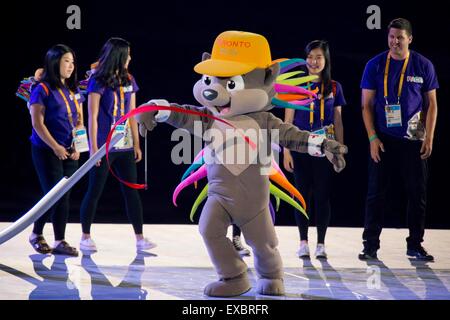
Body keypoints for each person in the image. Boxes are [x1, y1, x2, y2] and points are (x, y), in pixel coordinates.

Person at [359, 18, 438, 261]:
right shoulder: (374, 65)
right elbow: (366, 106)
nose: (395, 42)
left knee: (417, 193)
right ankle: (370, 245)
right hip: (383, 138)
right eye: (391, 37)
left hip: (414, 138)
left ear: (410, 39)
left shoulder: (422, 65)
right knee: (375, 193)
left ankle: (415, 244)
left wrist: (429, 137)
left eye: (400, 37)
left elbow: (432, 104)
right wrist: (372, 137)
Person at [79, 37, 156, 252]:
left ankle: (140, 238)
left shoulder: (129, 79)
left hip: (125, 145)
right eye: (127, 54)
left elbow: (133, 114)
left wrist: (137, 144)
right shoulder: (98, 81)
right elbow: (91, 117)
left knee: (131, 190)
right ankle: (85, 236)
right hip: (104, 145)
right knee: (95, 190)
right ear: (119, 56)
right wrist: (94, 149)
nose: (130, 57)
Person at [283, 40, 346, 259]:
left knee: (322, 196)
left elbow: (338, 120)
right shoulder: (297, 86)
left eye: (319, 57)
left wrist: (338, 148)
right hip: (300, 146)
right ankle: (303, 242)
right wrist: (286, 151)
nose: (314, 61)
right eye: (310, 56)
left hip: (324, 147)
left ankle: (321, 243)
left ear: (325, 60)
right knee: (301, 195)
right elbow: (288, 119)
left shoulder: (335, 87)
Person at [28, 44, 86, 256]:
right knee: (51, 195)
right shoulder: (41, 89)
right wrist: (56, 147)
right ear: (55, 63)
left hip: (70, 150)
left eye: (72, 62)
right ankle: (36, 234)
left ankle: (59, 240)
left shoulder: (73, 90)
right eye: (66, 61)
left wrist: (78, 146)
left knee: (65, 195)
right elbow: (37, 123)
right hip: (46, 150)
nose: (70, 66)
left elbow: (80, 121)